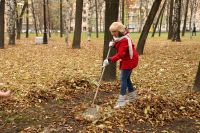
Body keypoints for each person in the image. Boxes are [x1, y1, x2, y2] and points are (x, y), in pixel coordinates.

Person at [102, 22, 139, 109]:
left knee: (123, 79)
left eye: (114, 31)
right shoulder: (120, 38)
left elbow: (121, 54)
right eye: (111, 31)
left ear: (119, 30)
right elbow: (121, 47)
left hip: (130, 60)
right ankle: (133, 98)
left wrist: (109, 60)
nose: (113, 33)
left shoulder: (124, 39)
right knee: (127, 79)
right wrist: (114, 45)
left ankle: (121, 102)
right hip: (129, 59)